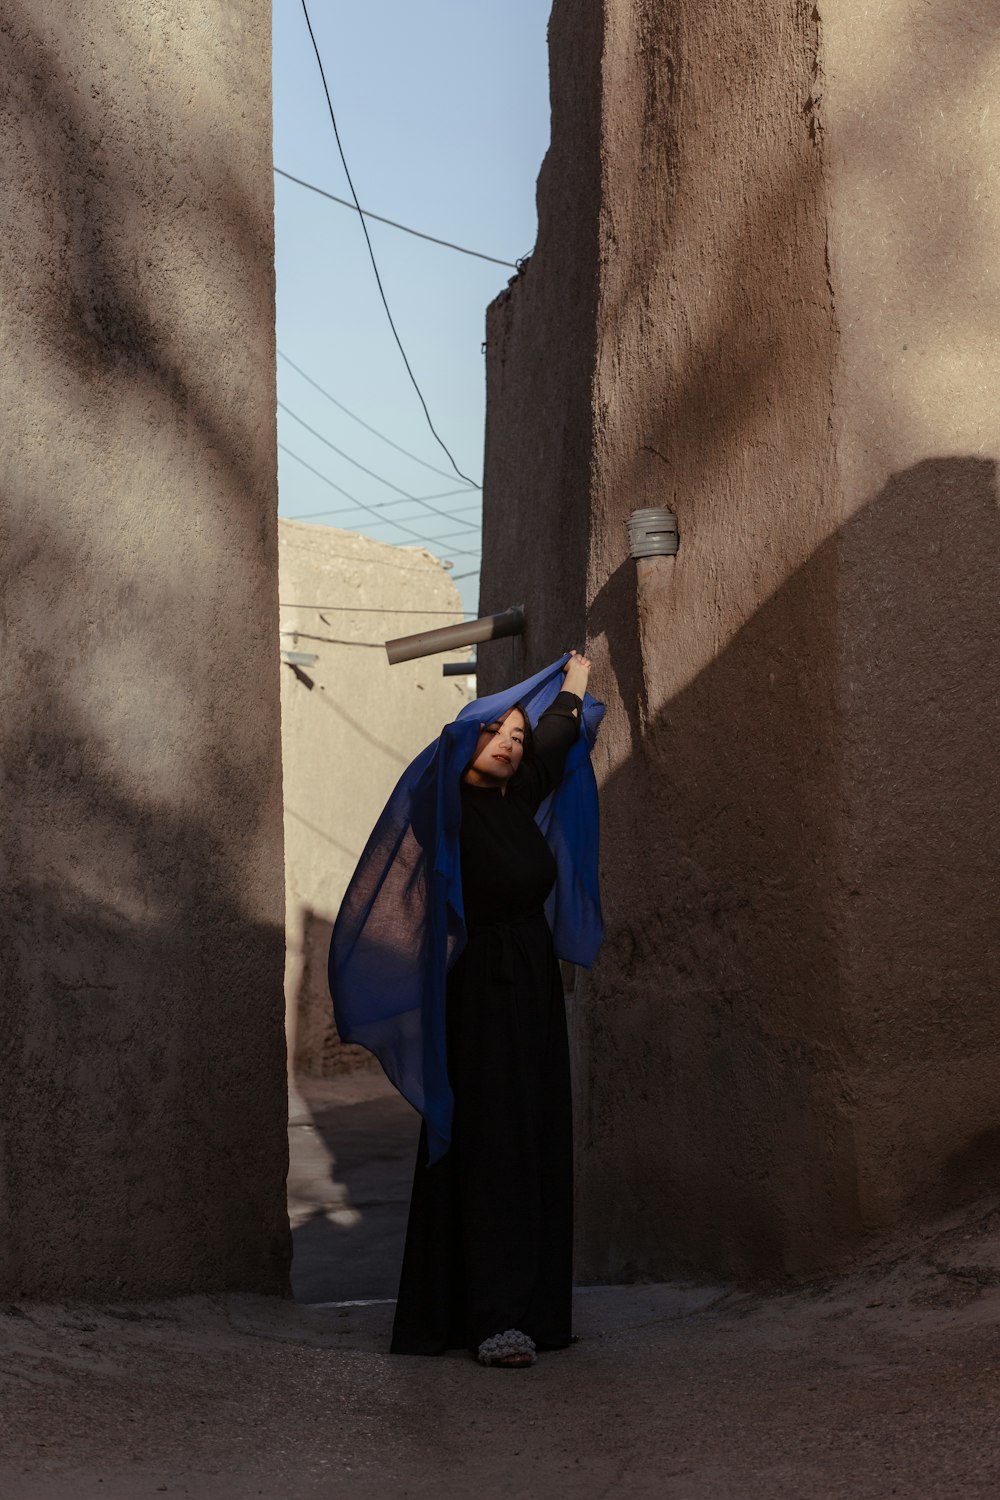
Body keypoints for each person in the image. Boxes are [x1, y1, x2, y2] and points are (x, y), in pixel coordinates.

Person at [329, 652, 603, 1369]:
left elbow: (559, 735)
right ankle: (490, 1317)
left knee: (533, 1137)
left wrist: (574, 679)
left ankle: (527, 1308)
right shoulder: (444, 814)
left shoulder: (519, 800)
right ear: (461, 747)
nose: (511, 741)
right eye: (493, 733)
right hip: (479, 993)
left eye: (515, 733)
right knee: (492, 1143)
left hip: (532, 987)